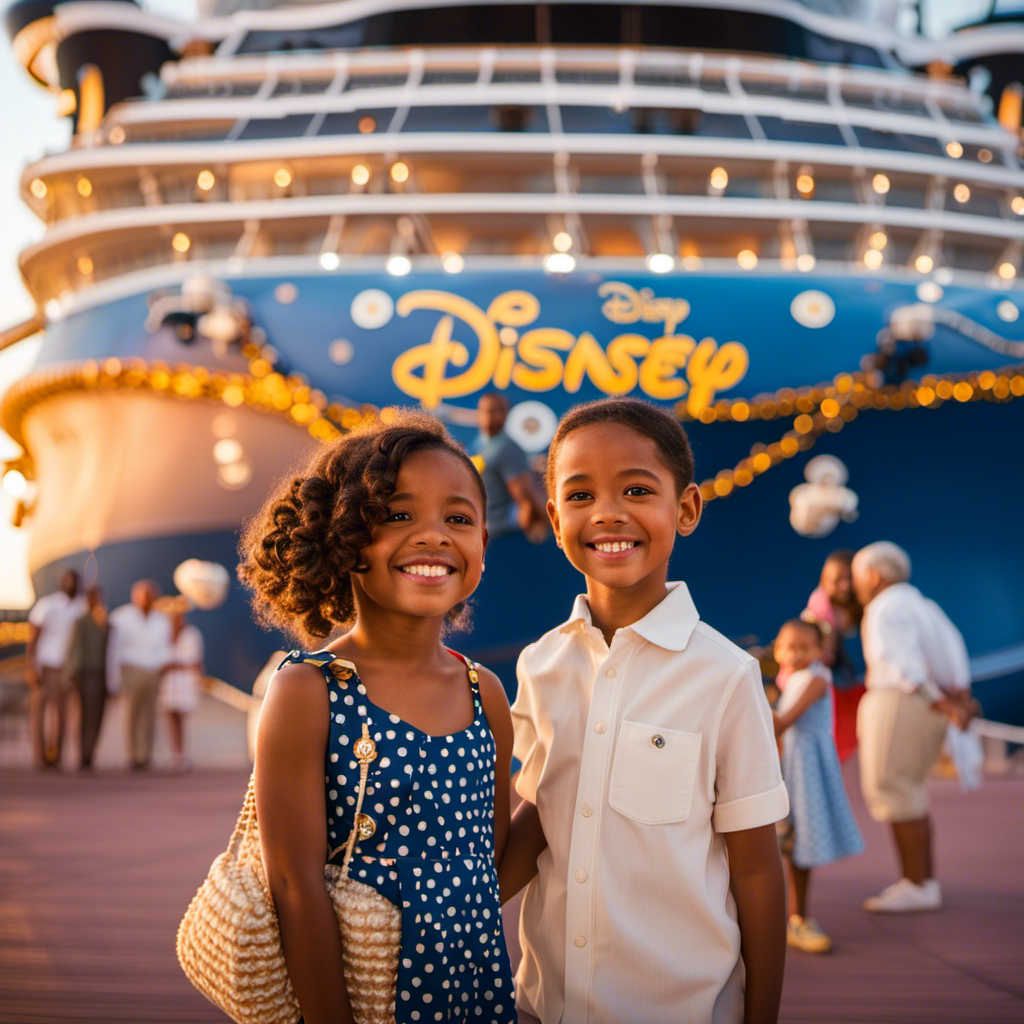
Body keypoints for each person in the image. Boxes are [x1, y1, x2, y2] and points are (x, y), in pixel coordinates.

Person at [501, 397, 789, 1024]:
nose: (607, 514)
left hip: (681, 1008)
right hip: (546, 1004)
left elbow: (758, 869)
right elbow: (539, 817)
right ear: (554, 519)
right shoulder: (538, 665)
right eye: (579, 496)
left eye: (636, 489)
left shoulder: (726, 676)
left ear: (684, 509)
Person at [237, 412, 516, 1024]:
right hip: (364, 999)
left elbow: (485, 859)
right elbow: (294, 886)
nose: (435, 535)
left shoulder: (485, 693)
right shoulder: (309, 691)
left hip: (474, 992)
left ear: (482, 549)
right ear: (343, 536)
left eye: (459, 519)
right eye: (398, 515)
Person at [852, 541, 973, 913]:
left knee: (894, 788)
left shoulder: (884, 608)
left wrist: (939, 701)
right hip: (923, 703)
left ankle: (917, 884)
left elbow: (903, 664)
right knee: (910, 791)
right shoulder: (922, 603)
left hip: (901, 701)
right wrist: (955, 699)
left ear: (873, 575)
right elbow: (954, 658)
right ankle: (921, 882)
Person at [772, 619, 864, 954]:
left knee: (799, 839)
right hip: (794, 763)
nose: (794, 653)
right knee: (788, 839)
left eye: (803, 647)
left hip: (807, 765)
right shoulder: (795, 678)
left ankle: (798, 917)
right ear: (778, 649)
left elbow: (782, 723)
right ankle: (792, 917)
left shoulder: (816, 679)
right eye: (787, 646)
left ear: (819, 652)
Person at [805, 550, 865, 761]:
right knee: (840, 747)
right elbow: (823, 657)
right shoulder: (817, 613)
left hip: (862, 688)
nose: (844, 586)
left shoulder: (866, 608)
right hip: (836, 693)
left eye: (849, 578)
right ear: (823, 580)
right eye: (836, 580)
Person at [107, 580, 173, 771]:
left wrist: (162, 670)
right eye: (143, 595)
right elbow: (114, 650)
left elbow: (164, 648)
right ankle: (132, 755)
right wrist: (113, 680)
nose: (146, 599)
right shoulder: (121, 617)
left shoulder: (161, 620)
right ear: (134, 596)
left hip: (153, 672)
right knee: (131, 714)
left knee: (149, 716)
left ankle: (146, 755)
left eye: (150, 595)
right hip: (131, 670)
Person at [26, 569, 87, 769]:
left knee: (60, 714)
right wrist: (31, 667)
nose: (71, 584)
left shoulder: (82, 607)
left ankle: (55, 756)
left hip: (67, 667)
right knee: (39, 712)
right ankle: (40, 756)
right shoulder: (47, 605)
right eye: (67, 580)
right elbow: (33, 637)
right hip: (46, 665)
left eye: (74, 581)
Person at [472, 392, 548, 541]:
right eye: (484, 411)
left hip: (502, 536)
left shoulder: (507, 448)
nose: (488, 416)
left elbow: (526, 498)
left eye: (494, 410)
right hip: (486, 534)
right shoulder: (484, 445)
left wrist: (530, 533)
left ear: (505, 413)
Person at [67, 585, 110, 771]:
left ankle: (90, 754)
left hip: (103, 674)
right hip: (87, 674)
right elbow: (76, 647)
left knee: (98, 716)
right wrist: (74, 673)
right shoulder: (82, 620)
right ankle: (83, 755)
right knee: (85, 716)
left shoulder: (103, 619)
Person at [159, 596, 205, 772]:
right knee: (170, 718)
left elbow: (195, 661)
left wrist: (174, 665)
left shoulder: (192, 634)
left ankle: (183, 754)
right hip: (169, 683)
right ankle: (175, 755)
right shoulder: (164, 633)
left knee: (181, 719)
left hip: (184, 682)